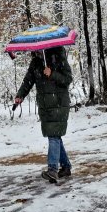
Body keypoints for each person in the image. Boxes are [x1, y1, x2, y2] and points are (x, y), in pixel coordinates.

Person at [13, 45, 73, 184]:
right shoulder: (36, 62)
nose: (36, 51)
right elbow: (28, 80)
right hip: (45, 105)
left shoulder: (58, 57)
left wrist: (52, 73)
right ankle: (66, 167)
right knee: (55, 135)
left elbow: (67, 79)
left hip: (59, 103)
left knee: (53, 135)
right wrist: (20, 95)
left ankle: (52, 169)